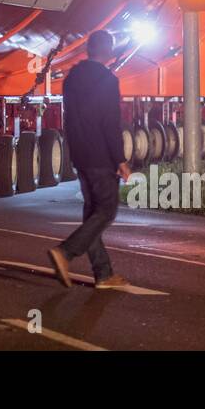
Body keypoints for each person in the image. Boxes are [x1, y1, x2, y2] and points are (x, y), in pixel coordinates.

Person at [48, 30, 130, 289]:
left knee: (92, 213)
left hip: (80, 154)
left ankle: (103, 274)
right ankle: (66, 252)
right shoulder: (107, 79)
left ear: (89, 49)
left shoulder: (71, 78)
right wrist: (120, 159)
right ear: (108, 51)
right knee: (106, 210)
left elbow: (71, 116)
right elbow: (110, 123)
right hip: (101, 156)